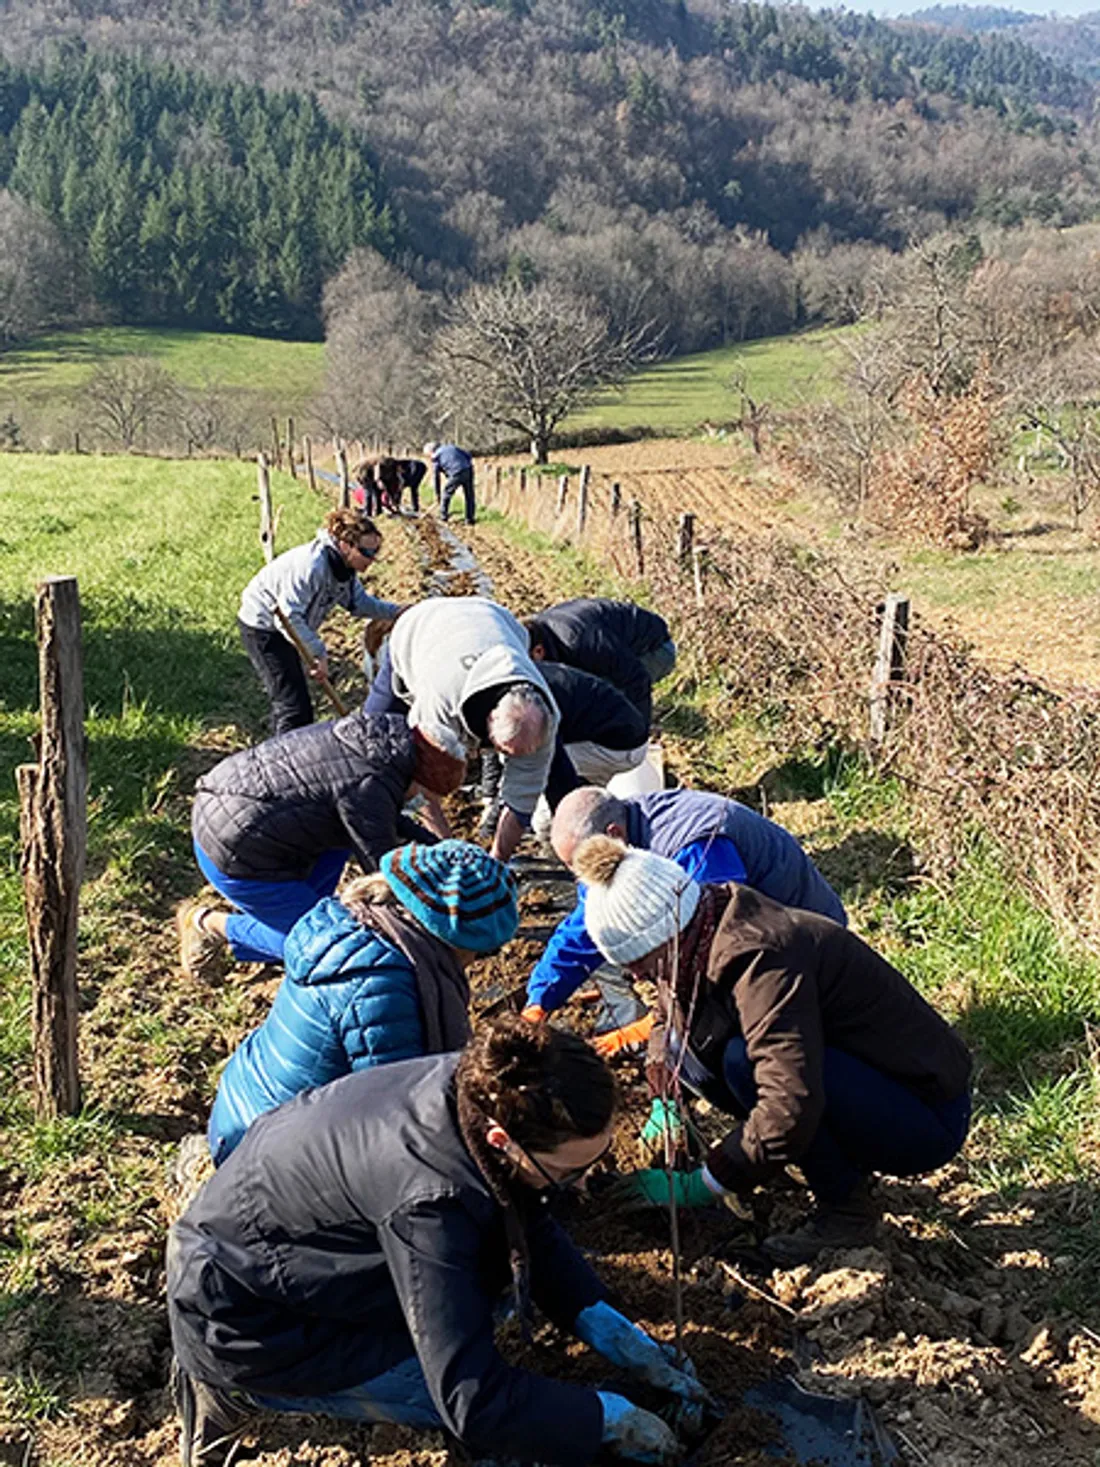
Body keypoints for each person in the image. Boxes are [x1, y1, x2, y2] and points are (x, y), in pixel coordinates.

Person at [168, 1017, 712, 1467]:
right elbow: (470, 1400)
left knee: (492, 1301)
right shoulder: (432, 1203)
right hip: (247, 1320)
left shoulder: (486, 1088)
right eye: (570, 1172)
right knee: (471, 1408)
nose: (587, 1183)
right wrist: (605, 1418)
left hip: (308, 1251)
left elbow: (529, 1215)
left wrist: (601, 1320)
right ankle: (234, 1393)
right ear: (505, 1142)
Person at [574, 836, 973, 1265]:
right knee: (699, 1053)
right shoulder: (703, 924)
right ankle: (792, 1156)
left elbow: (790, 1101)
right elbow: (667, 1015)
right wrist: (665, 1096)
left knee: (743, 1064)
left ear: (667, 935)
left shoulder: (761, 958)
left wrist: (704, 1183)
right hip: (868, 1084)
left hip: (924, 1113)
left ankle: (848, 1214)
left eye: (640, 962)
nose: (635, 975)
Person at [206, 840, 518, 1164]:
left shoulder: (350, 919)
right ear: (451, 936)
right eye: (482, 950)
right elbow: (400, 1114)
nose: (475, 962)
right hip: (266, 1158)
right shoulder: (385, 988)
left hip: (243, 1108)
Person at [524, 785, 847, 1021]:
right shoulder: (617, 836)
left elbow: (721, 944)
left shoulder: (695, 849)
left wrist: (659, 1025)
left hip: (805, 945)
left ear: (614, 833)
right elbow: (586, 924)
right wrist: (540, 1000)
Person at [178, 712, 467, 974]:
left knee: (333, 873)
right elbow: (385, 873)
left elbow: (387, 817)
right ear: (418, 779)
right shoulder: (369, 786)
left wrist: (442, 850)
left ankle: (297, 913)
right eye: (425, 795)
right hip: (233, 850)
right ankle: (205, 923)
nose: (423, 804)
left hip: (236, 803)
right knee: (318, 942)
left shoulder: (381, 740)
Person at [364, 596, 559, 863]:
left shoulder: (544, 718)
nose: (510, 759)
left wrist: (496, 860)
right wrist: (450, 850)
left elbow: (522, 801)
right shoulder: (440, 702)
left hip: (494, 617)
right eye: (503, 751)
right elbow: (421, 786)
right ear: (490, 720)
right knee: (373, 744)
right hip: (418, 630)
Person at [237, 508, 402, 735]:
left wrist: (398, 612)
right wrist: (318, 653)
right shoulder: (312, 566)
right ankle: (284, 759)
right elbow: (287, 616)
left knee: (298, 700)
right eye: (366, 552)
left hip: (289, 626)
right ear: (346, 545)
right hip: (263, 626)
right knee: (292, 706)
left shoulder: (344, 569)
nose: (372, 559)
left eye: (376, 552)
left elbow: (359, 603)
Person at [479, 663, 649, 839]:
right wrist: (489, 796)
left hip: (619, 744)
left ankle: (565, 842)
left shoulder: (536, 715)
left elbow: (553, 777)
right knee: (590, 805)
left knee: (544, 819)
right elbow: (495, 748)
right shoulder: (509, 695)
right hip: (610, 732)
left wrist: (489, 830)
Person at [526, 597, 676, 727]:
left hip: (657, 650)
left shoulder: (579, 642)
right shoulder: (542, 629)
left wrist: (639, 732)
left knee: (601, 701)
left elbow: (637, 678)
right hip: (615, 641)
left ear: (538, 651)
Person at [424, 440, 475, 524]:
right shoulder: (451, 447)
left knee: (446, 493)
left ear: (431, 452)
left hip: (456, 472)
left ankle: (443, 516)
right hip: (468, 469)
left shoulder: (436, 456)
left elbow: (436, 477)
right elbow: (468, 456)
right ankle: (469, 519)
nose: (428, 458)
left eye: (428, 455)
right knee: (469, 495)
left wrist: (438, 494)